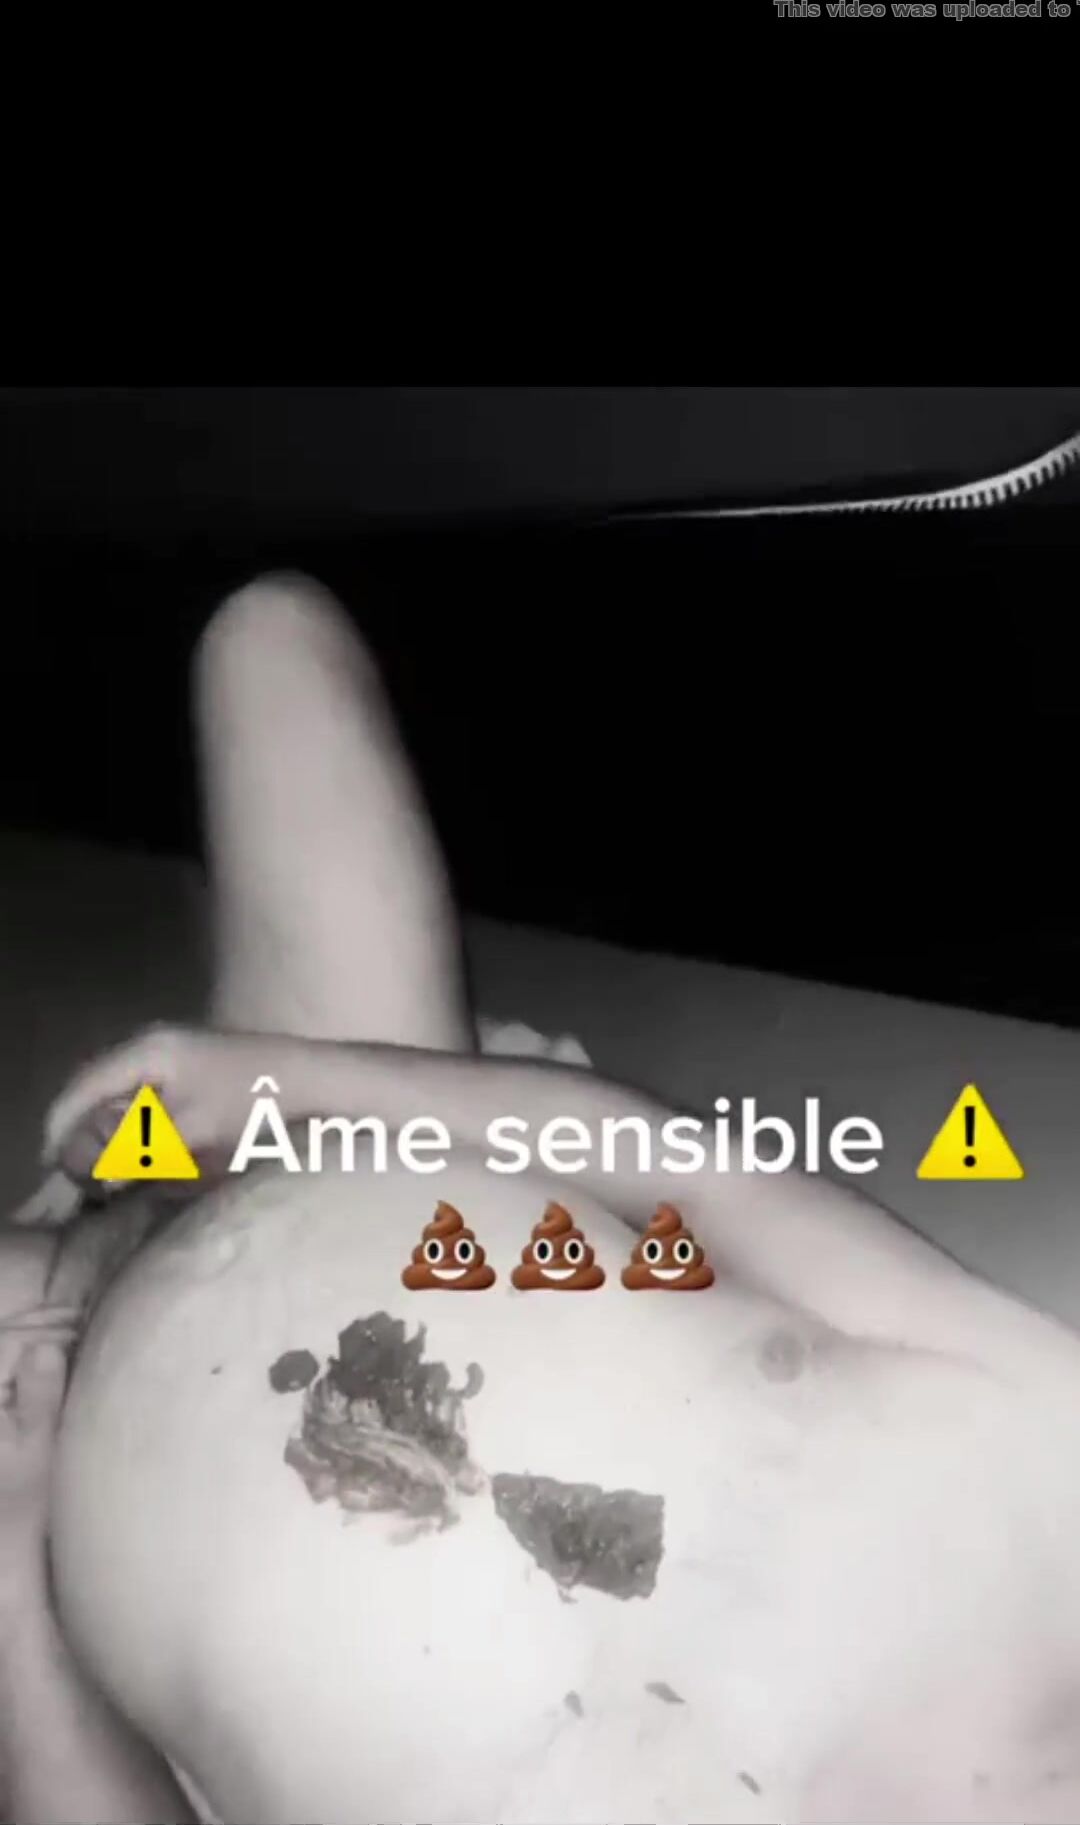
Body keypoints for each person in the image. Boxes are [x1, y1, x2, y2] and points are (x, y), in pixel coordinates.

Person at [3, 573, 1080, 1824]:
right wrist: (283, 1076)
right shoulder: (1051, 1446)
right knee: (271, 635)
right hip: (352, 1116)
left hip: (56, 1428)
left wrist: (17, 1569)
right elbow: (697, 1177)